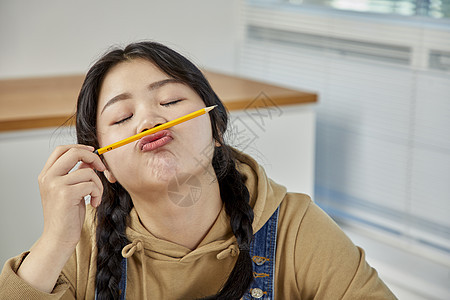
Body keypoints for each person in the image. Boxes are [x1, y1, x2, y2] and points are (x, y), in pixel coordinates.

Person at [0, 41, 397, 299]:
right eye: (122, 117)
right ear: (104, 164)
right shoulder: (80, 245)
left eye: (170, 100)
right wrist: (54, 241)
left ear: (216, 129)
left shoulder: (295, 226)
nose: (150, 121)